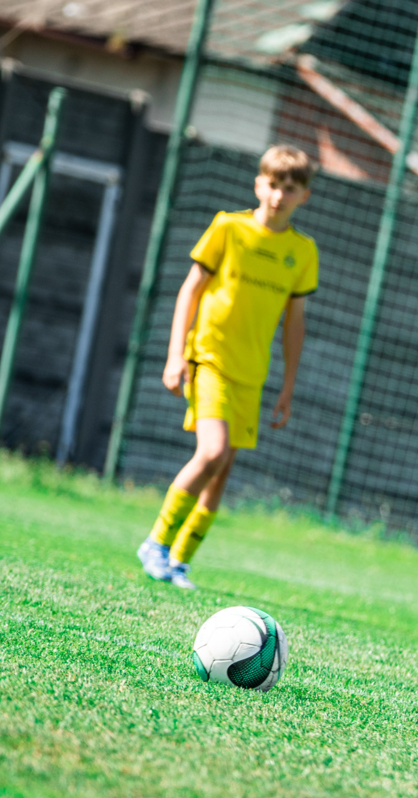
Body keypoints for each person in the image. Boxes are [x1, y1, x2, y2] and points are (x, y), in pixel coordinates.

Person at [135, 146, 318, 589]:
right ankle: (156, 543)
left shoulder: (302, 251)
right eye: (273, 185)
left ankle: (179, 560)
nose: (279, 195)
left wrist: (288, 387)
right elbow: (190, 290)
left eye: (290, 188)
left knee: (222, 471)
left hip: (251, 374)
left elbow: (294, 323)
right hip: (210, 358)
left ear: (304, 196)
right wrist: (176, 354)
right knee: (212, 452)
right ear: (258, 185)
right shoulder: (228, 227)